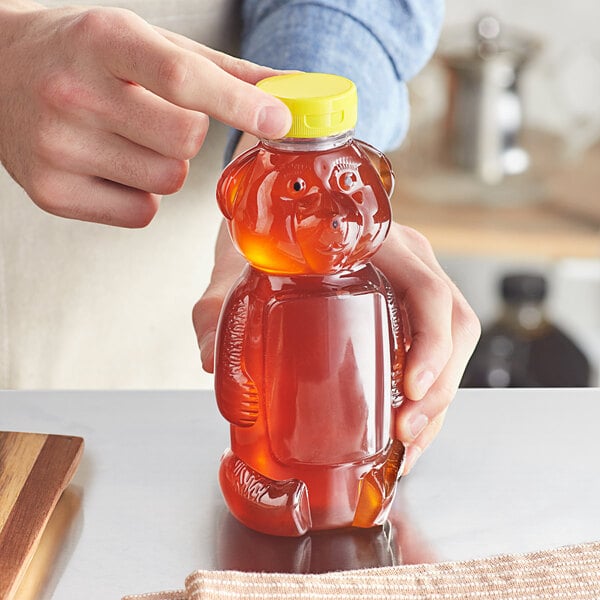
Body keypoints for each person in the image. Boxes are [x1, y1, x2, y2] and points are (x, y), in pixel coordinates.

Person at [0, 0, 480, 474]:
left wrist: (293, 133)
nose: (334, 217)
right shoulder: (255, 296)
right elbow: (234, 355)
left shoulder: (362, 284)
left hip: (149, 404)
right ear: (238, 193)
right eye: (300, 192)